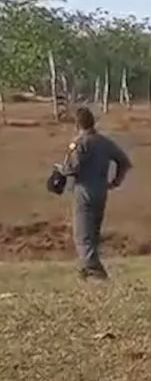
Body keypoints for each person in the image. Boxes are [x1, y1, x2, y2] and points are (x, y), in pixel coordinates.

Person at [59, 106, 132, 280]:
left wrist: (61, 170)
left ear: (77, 124)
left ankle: (95, 270)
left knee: (82, 234)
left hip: (84, 191)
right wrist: (116, 181)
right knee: (93, 232)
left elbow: (72, 168)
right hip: (101, 191)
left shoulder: (79, 142)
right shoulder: (104, 142)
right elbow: (124, 162)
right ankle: (86, 268)